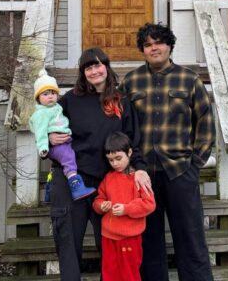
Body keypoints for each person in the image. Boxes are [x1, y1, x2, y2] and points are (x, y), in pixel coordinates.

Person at [50, 48, 153, 281]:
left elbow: (132, 139)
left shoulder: (121, 101)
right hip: (71, 178)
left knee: (109, 244)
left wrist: (140, 168)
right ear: (83, 72)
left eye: (98, 65)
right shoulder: (69, 101)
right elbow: (45, 122)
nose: (94, 71)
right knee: (68, 241)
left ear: (106, 67)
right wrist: (47, 139)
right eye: (88, 67)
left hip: (108, 182)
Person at [123, 23, 215, 281]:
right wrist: (130, 165)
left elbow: (205, 122)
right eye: (148, 45)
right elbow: (121, 126)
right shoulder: (131, 81)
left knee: (190, 238)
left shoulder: (189, 79)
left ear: (169, 46)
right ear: (143, 49)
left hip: (180, 172)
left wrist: (195, 163)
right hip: (142, 176)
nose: (154, 48)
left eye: (159, 43)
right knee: (148, 241)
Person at [93, 132, 156, 281]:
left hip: (130, 238)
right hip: (108, 237)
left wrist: (127, 209)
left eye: (118, 158)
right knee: (110, 274)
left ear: (129, 152)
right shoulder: (108, 178)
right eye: (110, 160)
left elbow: (149, 204)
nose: (115, 163)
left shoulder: (138, 178)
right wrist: (102, 206)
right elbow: (98, 200)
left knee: (129, 274)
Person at [28, 69, 96, 200]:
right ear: (38, 98)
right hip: (57, 144)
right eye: (45, 94)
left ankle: (49, 192)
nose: (50, 96)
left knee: (69, 158)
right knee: (69, 160)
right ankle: (76, 186)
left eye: (53, 93)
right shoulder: (41, 114)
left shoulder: (56, 108)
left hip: (65, 141)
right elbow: (40, 132)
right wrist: (43, 147)